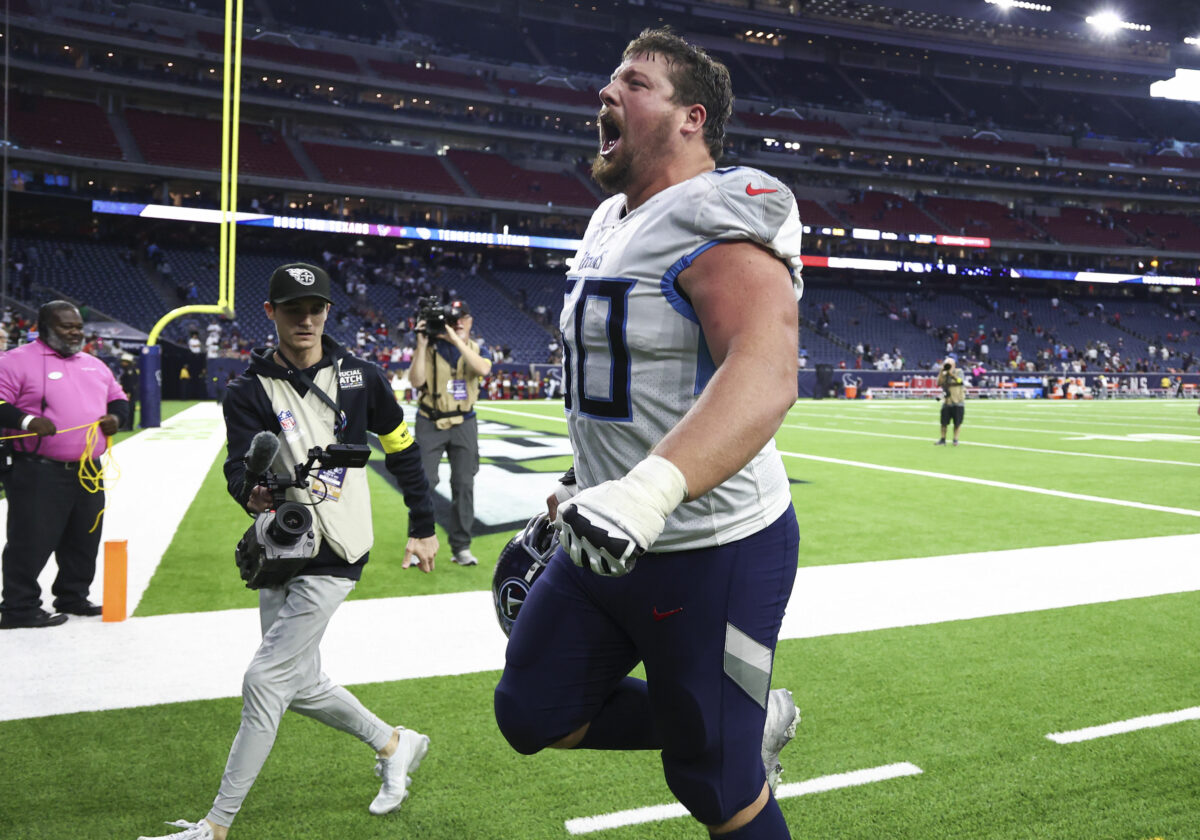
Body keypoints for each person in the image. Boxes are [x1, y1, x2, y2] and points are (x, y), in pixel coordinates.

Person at [493, 29, 804, 839]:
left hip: (712, 541)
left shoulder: (723, 207)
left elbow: (763, 371)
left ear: (692, 118)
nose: (607, 92)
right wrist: (583, 478)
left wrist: (650, 487)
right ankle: (741, 720)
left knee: (715, 784)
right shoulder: (610, 217)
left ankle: (730, 739)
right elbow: (629, 378)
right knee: (534, 710)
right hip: (611, 531)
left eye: (633, 82)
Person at [138, 264, 439, 840]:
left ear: (328, 312)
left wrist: (423, 525)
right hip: (280, 546)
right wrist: (247, 492)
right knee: (298, 682)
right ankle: (394, 743)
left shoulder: (361, 378)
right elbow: (235, 467)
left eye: (316, 308)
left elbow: (403, 452)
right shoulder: (246, 389)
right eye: (293, 308)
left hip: (339, 549)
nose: (306, 319)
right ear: (271, 312)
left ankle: (216, 825)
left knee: (264, 679)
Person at [0, 301, 128, 629]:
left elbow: (118, 398)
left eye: (78, 327)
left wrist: (115, 417)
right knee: (31, 537)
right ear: (43, 327)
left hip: (88, 468)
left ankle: (73, 595)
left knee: (83, 536)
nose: (74, 332)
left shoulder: (94, 365)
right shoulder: (15, 361)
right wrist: (27, 420)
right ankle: (19, 607)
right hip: (38, 467)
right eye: (65, 326)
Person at [408, 298, 493, 567]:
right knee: (425, 483)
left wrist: (457, 341)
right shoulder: (429, 346)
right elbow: (416, 381)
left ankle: (461, 546)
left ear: (470, 321)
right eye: (452, 319)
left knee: (464, 484)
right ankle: (419, 539)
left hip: (464, 422)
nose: (458, 323)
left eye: (462, 318)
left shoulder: (476, 348)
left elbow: (482, 369)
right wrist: (422, 344)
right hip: (430, 419)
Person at [935, 357, 965, 446]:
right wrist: (942, 372)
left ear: (954, 365)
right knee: (943, 422)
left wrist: (951, 374)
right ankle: (942, 439)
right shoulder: (943, 373)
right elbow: (938, 383)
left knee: (957, 422)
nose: (948, 366)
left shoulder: (959, 372)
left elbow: (960, 381)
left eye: (950, 364)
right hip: (947, 401)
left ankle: (955, 440)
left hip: (958, 400)